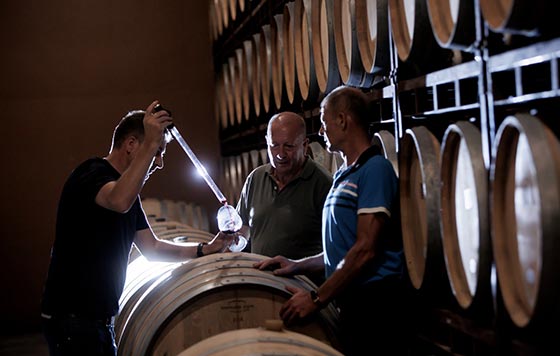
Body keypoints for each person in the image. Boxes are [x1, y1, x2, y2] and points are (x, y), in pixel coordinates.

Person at [40, 100, 235, 356]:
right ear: (132, 145)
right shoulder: (91, 174)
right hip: (73, 321)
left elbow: (152, 248)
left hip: (97, 320)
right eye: (158, 151)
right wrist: (152, 142)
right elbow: (118, 200)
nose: (160, 162)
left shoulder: (128, 195)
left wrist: (205, 249)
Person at [254, 86, 414, 356]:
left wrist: (317, 298)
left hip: (375, 305)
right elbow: (340, 249)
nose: (321, 130)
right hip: (350, 301)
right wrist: (296, 265)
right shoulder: (343, 175)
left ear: (342, 120)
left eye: (325, 120)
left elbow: (365, 249)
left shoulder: (375, 170)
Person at [235, 111, 332, 284]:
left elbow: (335, 249)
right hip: (259, 284)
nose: (280, 153)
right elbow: (241, 230)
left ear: (305, 144)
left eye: (289, 146)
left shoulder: (322, 183)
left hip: (301, 288)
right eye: (274, 145)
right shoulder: (256, 178)